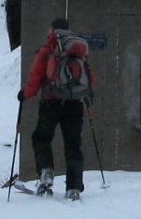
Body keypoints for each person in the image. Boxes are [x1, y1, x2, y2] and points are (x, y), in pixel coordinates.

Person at [19, 17, 94, 198]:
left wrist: (25, 95)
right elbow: (90, 79)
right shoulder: (78, 51)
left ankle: (46, 174)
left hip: (51, 104)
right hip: (75, 104)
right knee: (73, 145)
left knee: (41, 138)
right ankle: (74, 187)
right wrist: (87, 100)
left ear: (52, 29)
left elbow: (35, 76)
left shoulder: (48, 49)